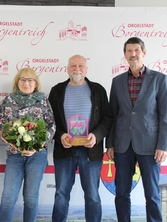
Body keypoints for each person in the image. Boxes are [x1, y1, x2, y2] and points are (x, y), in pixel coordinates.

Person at [106, 37, 167, 222]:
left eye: (136, 50)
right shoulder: (117, 81)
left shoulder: (159, 79)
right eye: (129, 51)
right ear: (125, 54)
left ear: (144, 52)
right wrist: (110, 144)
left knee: (152, 194)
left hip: (151, 146)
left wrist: (163, 146)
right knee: (121, 193)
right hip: (122, 145)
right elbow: (113, 114)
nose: (133, 54)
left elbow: (165, 116)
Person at [48, 54, 113, 222]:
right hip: (64, 150)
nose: (77, 69)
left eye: (80, 66)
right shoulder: (57, 91)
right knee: (61, 194)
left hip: (91, 151)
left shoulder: (98, 90)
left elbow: (108, 118)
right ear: (67, 68)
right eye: (73, 66)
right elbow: (49, 120)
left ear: (86, 68)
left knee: (92, 195)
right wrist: (60, 135)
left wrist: (96, 136)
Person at [0, 67, 56, 222]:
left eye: (30, 80)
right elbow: (0, 127)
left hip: (37, 156)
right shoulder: (8, 101)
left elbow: (51, 126)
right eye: (23, 79)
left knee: (30, 198)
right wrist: (17, 145)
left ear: (36, 83)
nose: (26, 83)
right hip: (14, 156)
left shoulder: (43, 101)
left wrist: (35, 146)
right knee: (8, 198)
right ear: (17, 82)